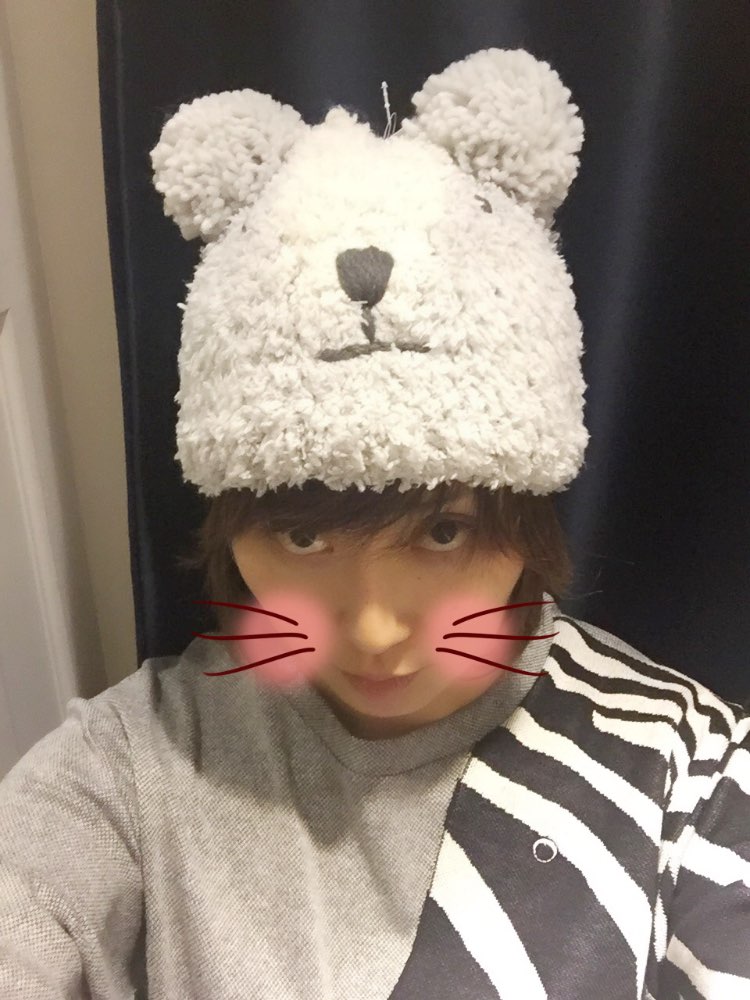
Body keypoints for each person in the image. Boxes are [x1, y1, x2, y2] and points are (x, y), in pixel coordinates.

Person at [1, 47, 748, 1000]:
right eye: (303, 536)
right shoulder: (135, 762)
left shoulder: (687, 768)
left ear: (526, 502)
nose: (378, 627)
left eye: (444, 532)